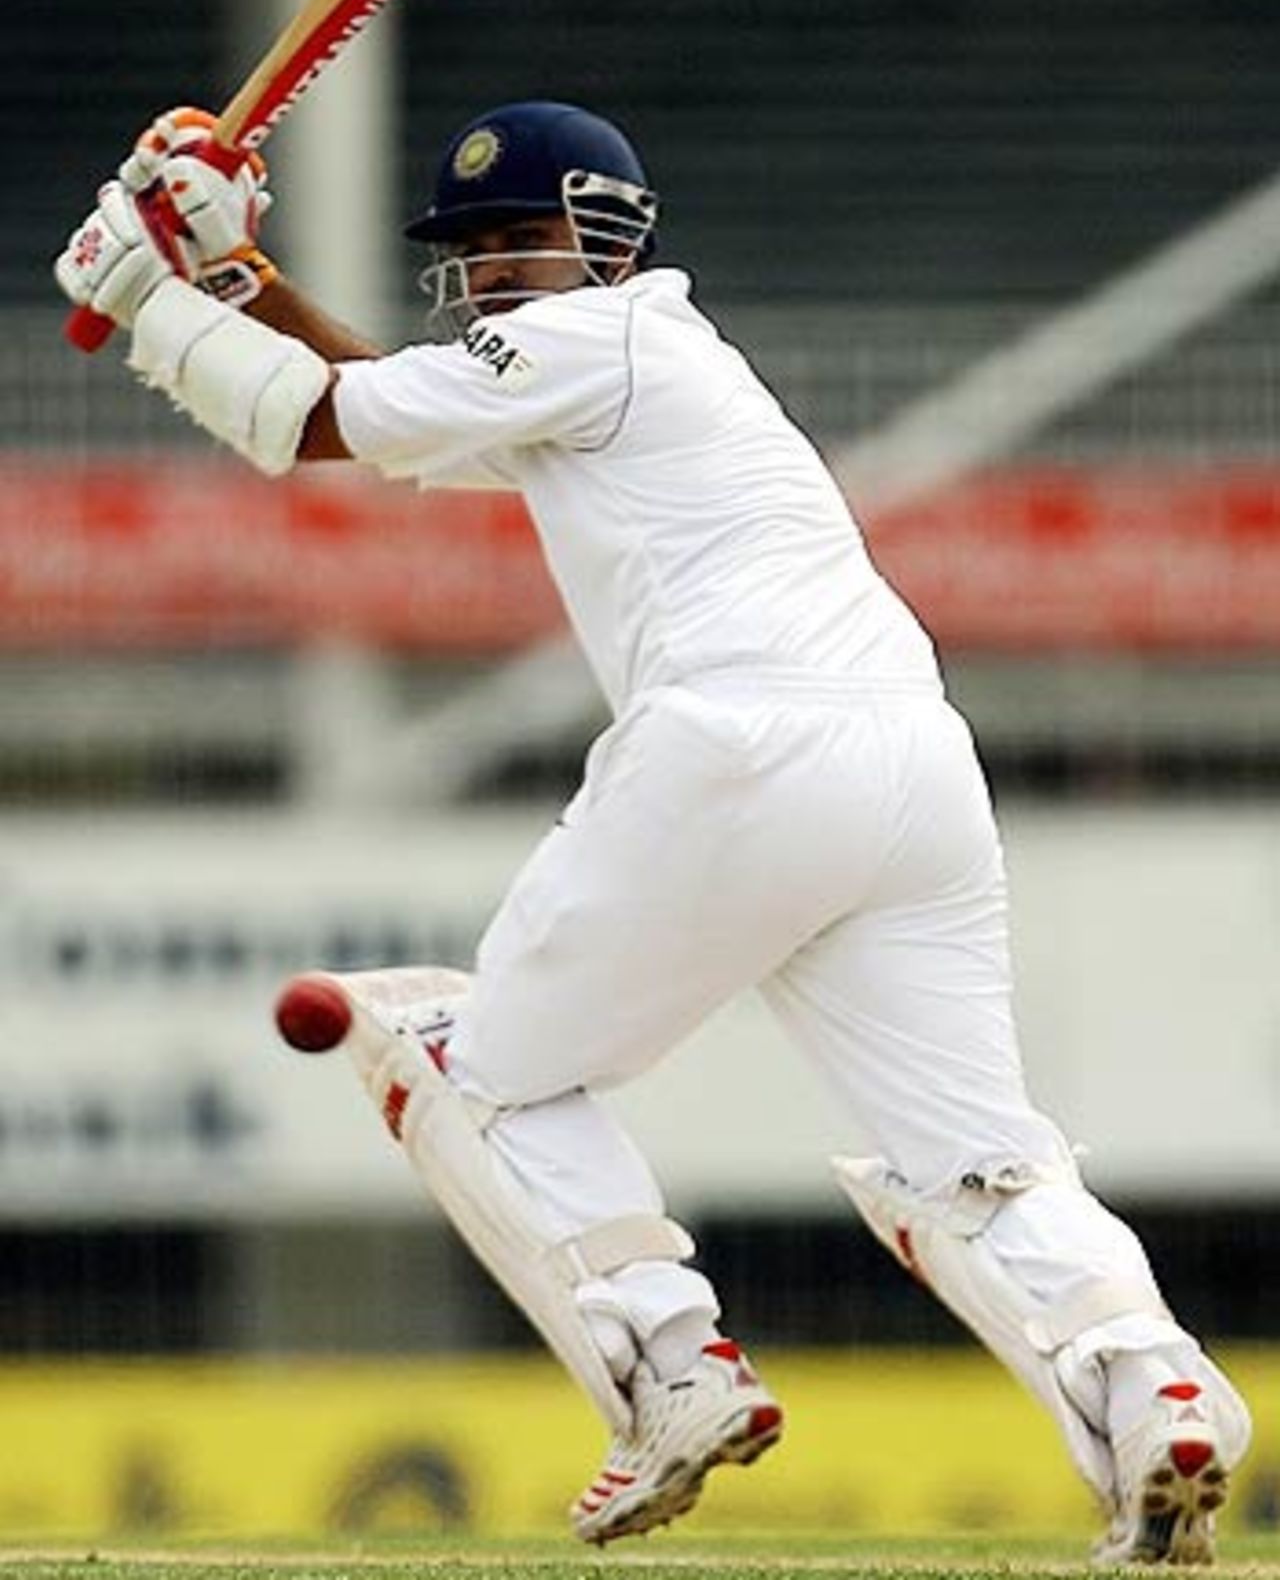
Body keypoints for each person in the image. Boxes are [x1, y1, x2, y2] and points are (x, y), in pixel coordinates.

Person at [56, 99, 1250, 1560]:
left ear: (609, 234)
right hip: (912, 768)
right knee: (976, 1169)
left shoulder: (602, 336)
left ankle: (671, 1368)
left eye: (523, 236)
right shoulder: (613, 367)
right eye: (475, 246)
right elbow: (389, 410)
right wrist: (225, 275)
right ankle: (1160, 1396)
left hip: (739, 746)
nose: (495, 266)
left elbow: (308, 422)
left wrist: (141, 300)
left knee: (471, 1070)